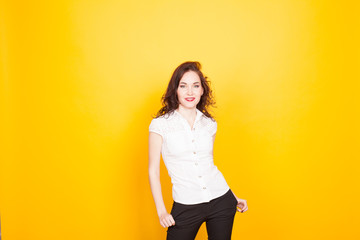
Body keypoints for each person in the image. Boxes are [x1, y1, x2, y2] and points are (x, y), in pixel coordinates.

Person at [148, 61, 248, 240]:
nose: (190, 92)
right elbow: (153, 171)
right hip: (186, 204)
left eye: (196, 86)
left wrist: (232, 196)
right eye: (183, 86)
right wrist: (162, 211)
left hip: (221, 201)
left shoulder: (209, 124)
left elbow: (207, 165)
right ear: (175, 90)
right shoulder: (160, 125)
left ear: (202, 90)